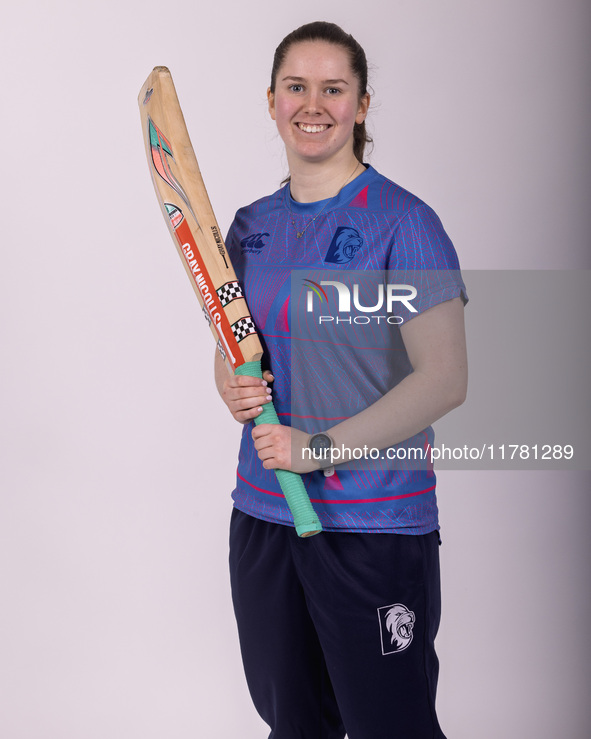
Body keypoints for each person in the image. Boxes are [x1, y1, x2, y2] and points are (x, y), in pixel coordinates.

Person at [215, 21, 467, 739]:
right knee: (293, 724)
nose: (312, 104)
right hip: (264, 513)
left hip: (372, 524)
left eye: (334, 88)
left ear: (361, 105)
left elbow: (445, 379)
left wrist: (315, 448)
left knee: (391, 726)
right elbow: (236, 344)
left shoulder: (404, 223)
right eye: (296, 86)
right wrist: (230, 384)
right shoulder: (251, 226)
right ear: (271, 101)